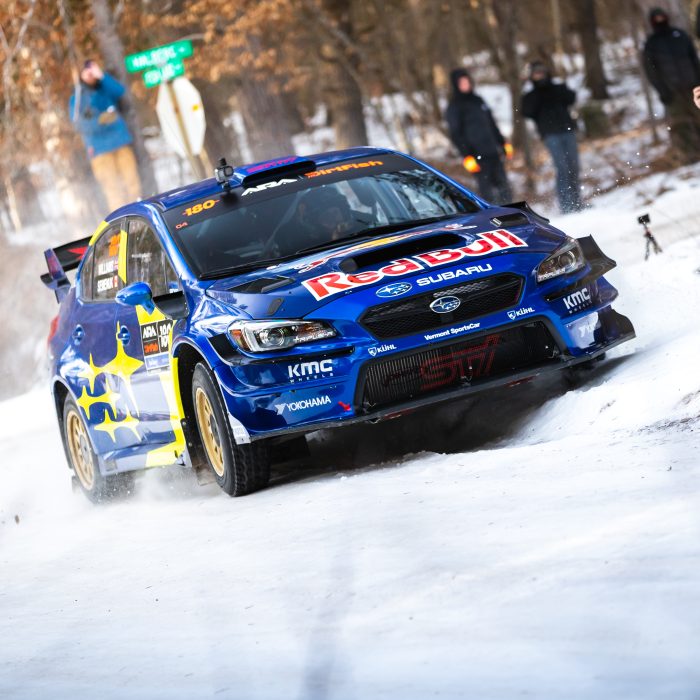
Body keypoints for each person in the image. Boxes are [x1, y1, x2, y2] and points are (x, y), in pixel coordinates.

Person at [69, 60, 141, 212]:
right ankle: (121, 217)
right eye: (86, 71)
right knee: (112, 189)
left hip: (120, 142)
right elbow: (79, 124)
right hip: (99, 149)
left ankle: (138, 212)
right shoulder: (78, 97)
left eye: (92, 70)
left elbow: (120, 91)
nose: (90, 74)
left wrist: (102, 76)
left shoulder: (105, 87)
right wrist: (100, 121)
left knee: (132, 182)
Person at [521, 61, 582, 214]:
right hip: (550, 135)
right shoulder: (531, 95)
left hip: (567, 130)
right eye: (536, 73)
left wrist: (561, 86)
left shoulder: (557, 87)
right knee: (562, 167)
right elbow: (526, 111)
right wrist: (534, 90)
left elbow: (571, 98)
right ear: (532, 76)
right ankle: (566, 205)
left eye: (541, 72)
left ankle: (577, 202)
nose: (540, 76)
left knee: (573, 166)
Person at [445, 68, 513, 204]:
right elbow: (456, 134)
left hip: (493, 151)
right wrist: (467, 156)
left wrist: (503, 143)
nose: (465, 85)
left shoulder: (478, 100)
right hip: (476, 156)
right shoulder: (454, 107)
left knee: (504, 188)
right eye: (461, 83)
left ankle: (510, 212)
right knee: (488, 193)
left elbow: (491, 124)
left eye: (467, 81)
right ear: (456, 85)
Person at [643, 7, 700, 163]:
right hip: (672, 92)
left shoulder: (680, 35)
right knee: (681, 125)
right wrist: (663, 91)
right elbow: (651, 71)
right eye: (657, 18)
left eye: (662, 17)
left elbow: (694, 60)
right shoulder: (651, 43)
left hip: (693, 87)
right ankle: (689, 155)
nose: (660, 20)